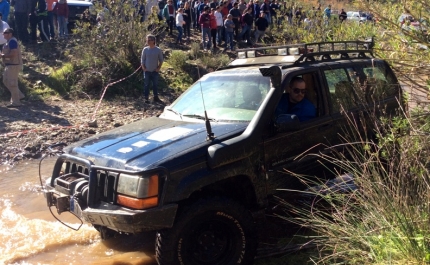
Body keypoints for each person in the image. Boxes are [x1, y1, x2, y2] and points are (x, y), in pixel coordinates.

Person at [1, 28, 25, 108]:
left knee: (12, 83)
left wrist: (3, 56)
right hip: (9, 65)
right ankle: (19, 95)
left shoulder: (12, 41)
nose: (3, 34)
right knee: (5, 81)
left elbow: (14, 53)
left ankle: (16, 102)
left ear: (10, 34)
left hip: (13, 65)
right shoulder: (8, 42)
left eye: (5, 32)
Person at [141, 34, 163, 103]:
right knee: (146, 84)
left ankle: (155, 97)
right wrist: (144, 68)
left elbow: (161, 60)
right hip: (147, 71)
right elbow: (142, 60)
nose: (147, 41)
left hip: (154, 71)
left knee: (155, 84)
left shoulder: (158, 50)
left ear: (153, 41)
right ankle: (146, 97)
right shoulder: (145, 49)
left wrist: (158, 68)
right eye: (147, 40)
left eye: (149, 40)